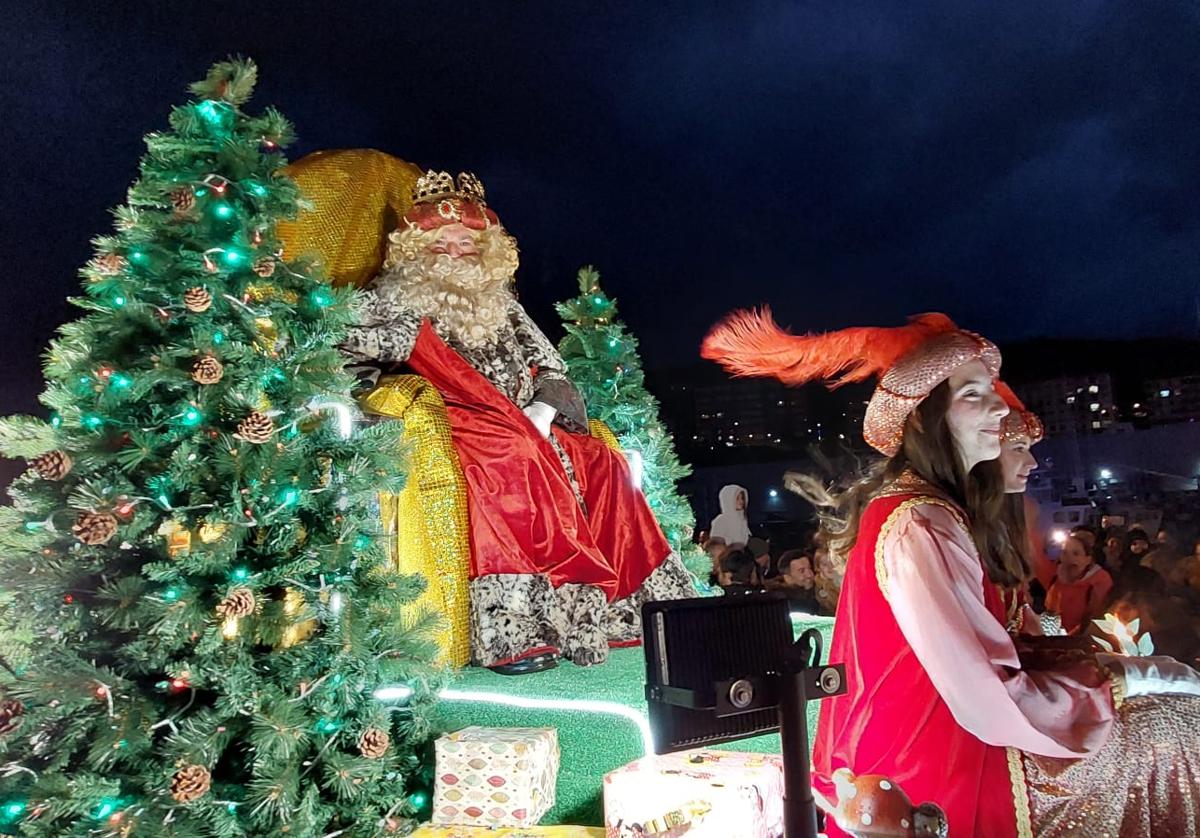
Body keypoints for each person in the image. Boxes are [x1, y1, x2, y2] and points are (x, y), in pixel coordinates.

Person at [702, 308, 1200, 837]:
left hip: (936, 743)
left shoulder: (930, 511)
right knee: (1170, 734)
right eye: (972, 395)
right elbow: (985, 694)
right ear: (921, 416)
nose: (995, 410)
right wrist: (1120, 681)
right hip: (935, 769)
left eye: (989, 391)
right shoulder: (921, 520)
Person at [341, 170, 693, 672]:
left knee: (605, 463)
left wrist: (543, 410)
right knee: (510, 454)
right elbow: (339, 348)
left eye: (469, 240)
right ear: (418, 247)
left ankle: (631, 612)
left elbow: (551, 366)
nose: (458, 250)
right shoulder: (393, 299)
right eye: (444, 241)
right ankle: (519, 627)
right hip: (459, 423)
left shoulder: (502, 304)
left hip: (528, 419)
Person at [1045, 533, 1114, 635]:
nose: (1069, 558)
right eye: (1064, 553)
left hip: (1084, 641)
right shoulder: (1056, 579)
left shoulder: (1100, 581)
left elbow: (1096, 618)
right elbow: (1050, 612)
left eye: (1076, 554)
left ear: (1088, 559)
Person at [770, 549, 821, 614]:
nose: (809, 575)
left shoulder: (823, 590)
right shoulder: (780, 605)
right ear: (787, 578)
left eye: (810, 568)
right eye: (801, 571)